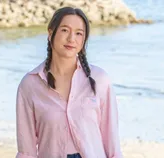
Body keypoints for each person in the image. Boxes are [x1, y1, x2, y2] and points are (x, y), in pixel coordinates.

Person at [15, 7, 123, 158]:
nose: (72, 39)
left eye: (79, 33)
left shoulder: (100, 80)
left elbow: (112, 145)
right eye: (65, 30)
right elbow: (26, 151)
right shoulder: (30, 85)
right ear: (51, 33)